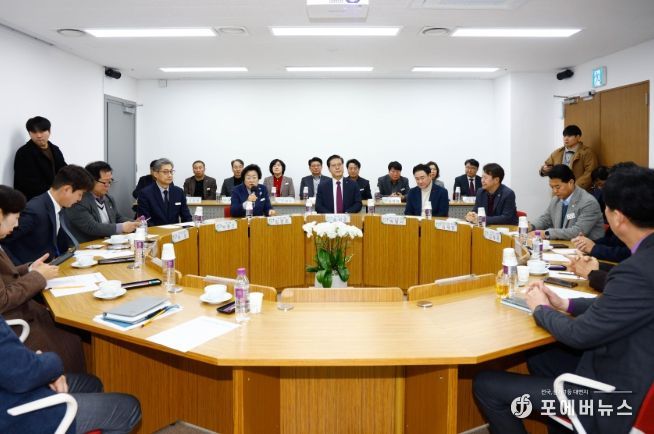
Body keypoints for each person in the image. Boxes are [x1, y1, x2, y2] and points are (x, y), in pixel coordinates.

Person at [474, 165, 654, 433]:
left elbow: (579, 335)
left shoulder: (634, 271)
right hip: (633, 364)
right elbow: (617, 305)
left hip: (614, 395)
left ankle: (575, 414)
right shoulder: (644, 262)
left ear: (617, 217)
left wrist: (541, 308)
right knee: (541, 356)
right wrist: (565, 304)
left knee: (486, 385)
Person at [0, 314, 141, 434]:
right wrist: (51, 365)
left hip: (10, 386)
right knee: (129, 408)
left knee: (92, 384)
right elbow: (23, 375)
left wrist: (42, 367)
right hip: (13, 415)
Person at [0, 185, 85, 373]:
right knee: (70, 339)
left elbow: (6, 274)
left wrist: (30, 268)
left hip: (21, 313)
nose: (16, 225)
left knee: (71, 332)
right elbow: (3, 300)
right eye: (15, 218)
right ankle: (69, 382)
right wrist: (38, 276)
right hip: (12, 325)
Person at [1, 165, 94, 265]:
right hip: (30, 270)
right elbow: (3, 242)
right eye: (80, 194)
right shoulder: (35, 210)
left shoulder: (61, 208)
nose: (80, 199)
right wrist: (23, 269)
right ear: (66, 189)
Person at [64, 161, 139, 243]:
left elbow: (117, 218)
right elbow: (92, 227)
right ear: (91, 180)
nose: (108, 185)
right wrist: (121, 227)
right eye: (104, 182)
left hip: (107, 244)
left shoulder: (108, 199)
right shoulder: (78, 200)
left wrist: (134, 223)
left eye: (110, 181)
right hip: (86, 246)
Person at [530, 164, 604, 240]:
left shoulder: (588, 202)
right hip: (565, 244)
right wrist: (531, 226)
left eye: (558, 187)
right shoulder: (556, 200)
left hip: (589, 246)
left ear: (571, 183)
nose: (554, 191)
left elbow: (577, 232)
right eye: (552, 187)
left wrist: (547, 233)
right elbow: (546, 219)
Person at [13, 116, 68, 201]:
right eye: (34, 132)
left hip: (54, 197)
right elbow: (27, 183)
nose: (38, 135)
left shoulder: (55, 149)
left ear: (49, 131)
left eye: (42, 131)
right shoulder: (24, 153)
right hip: (33, 200)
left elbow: (63, 169)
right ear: (29, 133)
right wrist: (54, 193)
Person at [540, 124, 598, 191]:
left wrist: (573, 187)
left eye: (569, 136)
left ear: (578, 137)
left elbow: (590, 173)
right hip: (559, 191)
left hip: (578, 191)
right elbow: (546, 167)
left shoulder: (587, 152)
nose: (566, 139)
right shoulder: (557, 153)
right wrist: (544, 170)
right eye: (564, 136)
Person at [137, 158, 192, 226]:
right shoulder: (145, 193)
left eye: (171, 171)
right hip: (155, 231)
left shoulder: (179, 192)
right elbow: (145, 220)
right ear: (155, 174)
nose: (170, 175)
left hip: (175, 230)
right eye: (165, 172)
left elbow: (187, 217)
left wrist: (189, 229)